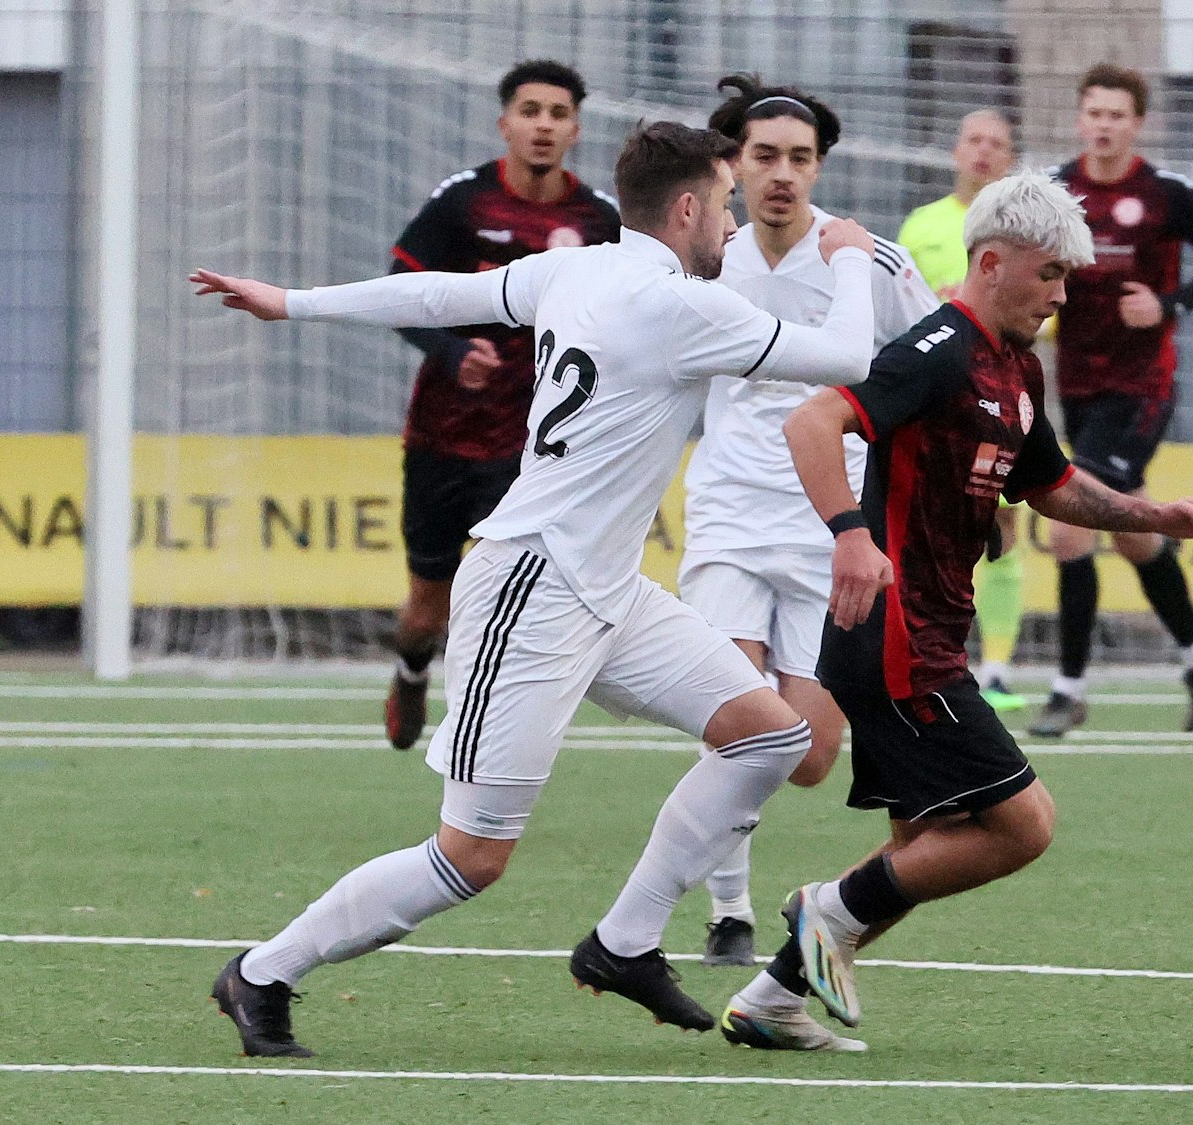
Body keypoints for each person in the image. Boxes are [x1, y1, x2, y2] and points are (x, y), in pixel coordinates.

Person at [191, 120, 884, 1058]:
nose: (728, 226)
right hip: (532, 586)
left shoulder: (581, 267)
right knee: (469, 858)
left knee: (770, 734)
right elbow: (848, 357)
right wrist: (847, 259)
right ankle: (263, 971)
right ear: (687, 208)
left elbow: (445, 292)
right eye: (722, 205)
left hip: (607, 588)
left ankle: (625, 942)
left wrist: (296, 302)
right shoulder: (680, 306)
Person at [717, 172, 1193, 1053]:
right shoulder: (939, 349)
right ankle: (823, 909)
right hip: (895, 636)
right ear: (991, 262)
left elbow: (1055, 486)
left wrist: (1157, 515)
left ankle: (771, 998)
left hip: (920, 632)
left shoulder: (1014, 366)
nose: (1062, 296)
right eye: (1049, 277)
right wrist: (849, 533)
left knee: (920, 851)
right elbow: (812, 422)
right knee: (1022, 823)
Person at [679, 74, 937, 968]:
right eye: (764, 156)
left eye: (799, 157)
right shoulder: (699, 255)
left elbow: (939, 365)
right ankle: (727, 910)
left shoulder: (869, 259)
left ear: (820, 167)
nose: (781, 173)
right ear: (735, 166)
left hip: (832, 531)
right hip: (726, 521)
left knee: (813, 752)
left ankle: (753, 898)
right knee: (740, 719)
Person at [379, 60, 622, 752]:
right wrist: (452, 353)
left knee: (501, 596)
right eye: (530, 110)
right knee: (428, 603)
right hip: (441, 438)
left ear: (574, 128)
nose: (543, 124)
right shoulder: (463, 202)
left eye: (557, 113)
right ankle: (410, 668)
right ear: (505, 124)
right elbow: (401, 290)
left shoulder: (596, 219)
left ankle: (480, 733)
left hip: (532, 449)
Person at [1031, 63, 1193, 739]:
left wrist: (1168, 304)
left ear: (1137, 123)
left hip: (1145, 388)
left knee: (1070, 522)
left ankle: (1067, 689)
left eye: (1117, 115)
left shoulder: (1166, 195)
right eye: (1094, 112)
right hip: (1078, 384)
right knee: (1130, 532)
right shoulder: (1053, 190)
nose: (1104, 125)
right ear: (1079, 119)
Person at [898, 109, 1030, 711]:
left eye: (996, 144)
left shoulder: (1023, 233)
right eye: (973, 140)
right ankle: (926, 656)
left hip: (1000, 402)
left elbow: (1049, 316)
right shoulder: (921, 226)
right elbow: (892, 313)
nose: (983, 152)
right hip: (932, 409)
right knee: (924, 533)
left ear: (1010, 157)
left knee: (1001, 529)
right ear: (955, 151)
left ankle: (996, 668)